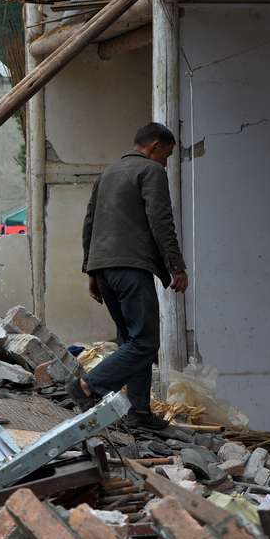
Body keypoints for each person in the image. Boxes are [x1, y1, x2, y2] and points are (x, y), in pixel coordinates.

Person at [68, 122, 189, 430]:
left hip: (105, 270)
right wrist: (176, 266)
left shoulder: (107, 174)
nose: (166, 162)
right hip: (131, 268)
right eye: (168, 154)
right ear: (155, 147)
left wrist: (92, 272)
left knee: (131, 342)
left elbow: (89, 224)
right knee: (145, 343)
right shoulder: (151, 172)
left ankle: (139, 412)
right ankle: (88, 385)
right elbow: (162, 221)